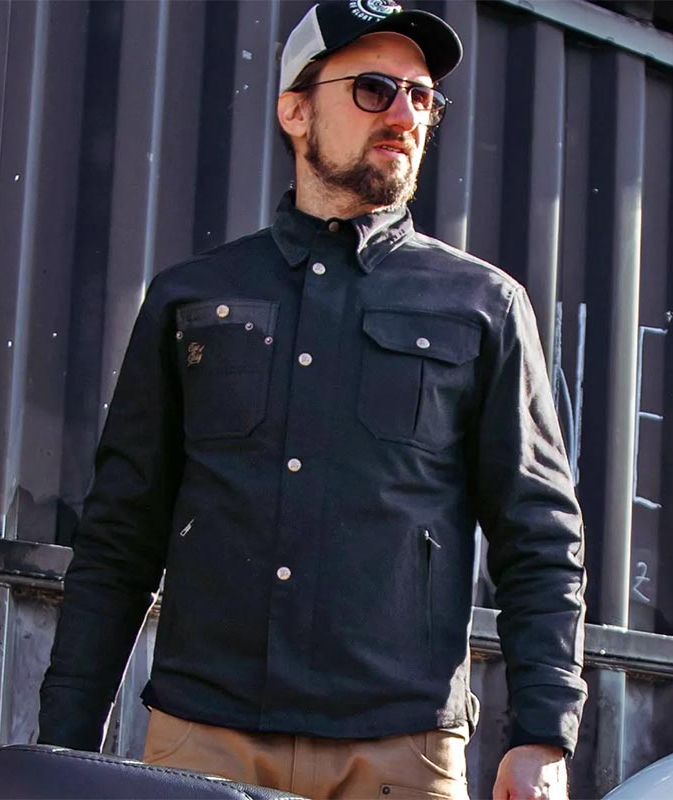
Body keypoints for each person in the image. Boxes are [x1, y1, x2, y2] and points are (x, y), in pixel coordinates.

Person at [38, 2, 587, 798]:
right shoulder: (193, 299)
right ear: (295, 110)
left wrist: (542, 735)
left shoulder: (483, 306)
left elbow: (538, 534)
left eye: (421, 97)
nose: (404, 115)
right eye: (373, 89)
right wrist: (65, 743)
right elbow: (120, 535)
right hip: (206, 741)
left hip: (401, 754)